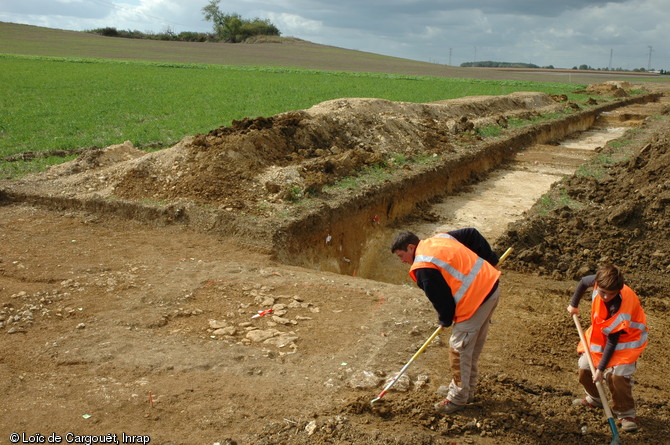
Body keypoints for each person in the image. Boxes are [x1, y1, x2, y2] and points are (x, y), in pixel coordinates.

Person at [391, 228, 501, 414]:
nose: (402, 261)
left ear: (411, 247)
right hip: (491, 287)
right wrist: (492, 262)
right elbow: (472, 234)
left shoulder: (423, 267)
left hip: (475, 301)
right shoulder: (440, 238)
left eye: (402, 255)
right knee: (470, 347)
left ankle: (457, 399)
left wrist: (445, 319)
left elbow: (442, 300)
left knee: (459, 349)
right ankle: (466, 390)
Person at [567, 263, 648, 432]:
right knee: (584, 367)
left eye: (610, 294)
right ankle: (595, 399)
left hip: (626, 342)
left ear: (618, 291)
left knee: (617, 376)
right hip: (601, 336)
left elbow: (613, 341)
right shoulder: (597, 281)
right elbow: (582, 282)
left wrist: (601, 369)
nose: (604, 297)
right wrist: (574, 305)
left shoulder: (619, 308)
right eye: (602, 292)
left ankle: (626, 413)